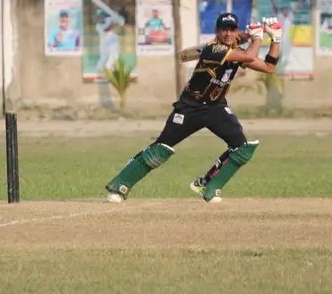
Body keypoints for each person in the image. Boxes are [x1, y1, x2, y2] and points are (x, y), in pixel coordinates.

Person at [104, 12, 283, 204]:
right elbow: (248, 55)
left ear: (237, 31)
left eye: (232, 30)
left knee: (242, 148)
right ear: (217, 31)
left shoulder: (236, 51)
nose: (228, 34)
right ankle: (119, 185)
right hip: (190, 107)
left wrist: (275, 38)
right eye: (224, 30)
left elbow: (268, 67)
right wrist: (257, 37)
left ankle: (207, 185)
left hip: (216, 108)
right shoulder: (213, 49)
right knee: (160, 149)